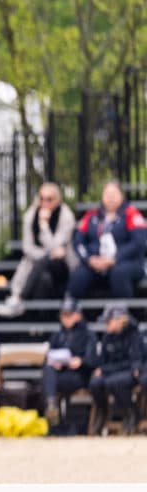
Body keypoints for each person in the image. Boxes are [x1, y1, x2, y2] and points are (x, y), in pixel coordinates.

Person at [0, 182, 78, 317]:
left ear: (58, 200)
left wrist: (44, 226)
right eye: (41, 198)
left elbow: (56, 246)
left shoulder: (66, 217)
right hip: (38, 263)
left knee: (44, 263)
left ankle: (18, 299)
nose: (44, 202)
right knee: (44, 279)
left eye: (49, 199)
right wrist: (47, 255)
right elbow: (28, 248)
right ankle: (39, 322)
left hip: (62, 266)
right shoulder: (30, 215)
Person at [68, 181, 146, 300]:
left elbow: (138, 243)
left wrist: (114, 259)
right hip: (95, 262)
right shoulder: (91, 215)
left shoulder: (132, 214)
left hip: (127, 263)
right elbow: (78, 242)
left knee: (119, 273)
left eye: (114, 194)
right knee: (79, 275)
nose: (110, 198)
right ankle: (75, 312)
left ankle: (122, 313)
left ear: (122, 196)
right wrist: (89, 259)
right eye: (107, 194)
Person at [42, 299, 96, 434]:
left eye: (69, 315)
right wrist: (55, 362)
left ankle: (51, 405)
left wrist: (80, 361)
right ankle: (52, 406)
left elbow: (93, 360)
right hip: (60, 373)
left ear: (78, 315)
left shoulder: (88, 335)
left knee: (49, 382)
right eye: (63, 315)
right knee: (48, 370)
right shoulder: (57, 335)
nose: (65, 319)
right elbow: (48, 356)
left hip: (80, 375)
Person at [90, 303, 141, 434]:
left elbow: (134, 363)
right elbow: (102, 361)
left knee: (114, 382)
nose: (106, 325)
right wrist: (103, 369)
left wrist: (106, 370)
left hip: (126, 373)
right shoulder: (107, 337)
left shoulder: (134, 335)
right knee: (95, 383)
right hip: (112, 371)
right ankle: (102, 412)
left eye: (108, 321)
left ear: (120, 320)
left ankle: (131, 413)